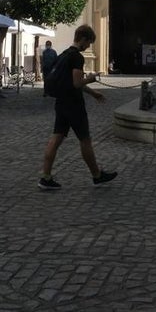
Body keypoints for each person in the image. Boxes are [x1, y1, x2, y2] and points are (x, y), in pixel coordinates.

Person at [38, 25, 117, 190]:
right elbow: (77, 83)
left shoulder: (64, 55)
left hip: (61, 102)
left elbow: (70, 82)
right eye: (88, 43)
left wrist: (93, 93)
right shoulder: (77, 58)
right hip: (74, 105)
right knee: (85, 140)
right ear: (83, 39)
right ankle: (97, 175)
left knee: (56, 138)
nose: (88, 46)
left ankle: (45, 176)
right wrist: (91, 79)